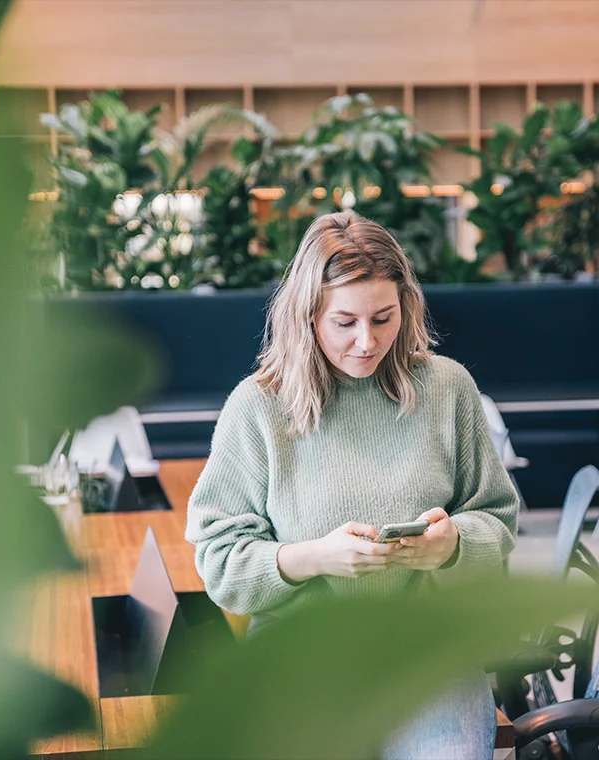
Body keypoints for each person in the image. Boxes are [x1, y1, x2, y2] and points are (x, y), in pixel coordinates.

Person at [185, 211, 519, 759]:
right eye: (345, 322)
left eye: (384, 318)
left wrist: (451, 545)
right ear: (308, 316)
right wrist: (314, 558)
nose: (367, 342)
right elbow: (221, 565)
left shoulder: (448, 387)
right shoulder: (259, 406)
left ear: (405, 308)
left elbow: (497, 519)